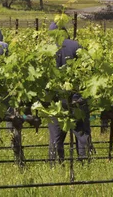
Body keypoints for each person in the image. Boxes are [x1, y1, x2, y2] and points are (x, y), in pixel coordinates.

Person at [47, 22, 91, 163]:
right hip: (77, 99)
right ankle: (85, 163)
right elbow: (87, 70)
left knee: (56, 138)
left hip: (56, 101)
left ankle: (55, 165)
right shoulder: (76, 45)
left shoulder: (47, 50)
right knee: (82, 134)